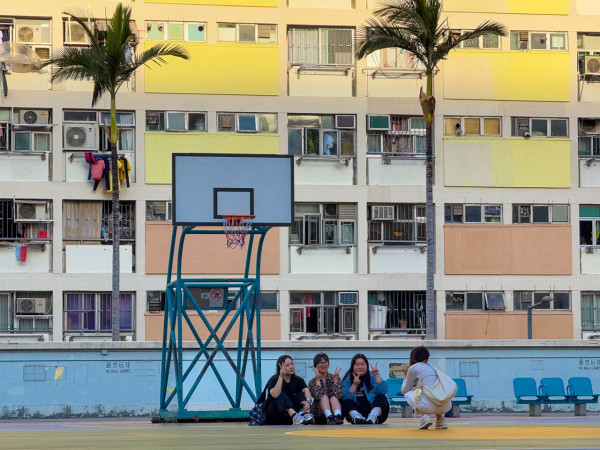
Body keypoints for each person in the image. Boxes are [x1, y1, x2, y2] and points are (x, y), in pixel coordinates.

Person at [401, 346, 452, 430]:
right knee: (431, 390)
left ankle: (425, 416)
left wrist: (406, 375)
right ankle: (441, 419)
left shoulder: (413, 368)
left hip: (428, 406)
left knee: (408, 393)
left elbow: (404, 390)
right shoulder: (434, 368)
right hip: (446, 406)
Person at [264, 354, 315, 425]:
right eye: (287, 365)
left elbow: (306, 390)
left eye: (292, 364)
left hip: (291, 415)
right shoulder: (274, 379)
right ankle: (294, 415)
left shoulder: (298, 379)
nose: (291, 367)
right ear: (280, 367)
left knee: (301, 394)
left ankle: (305, 413)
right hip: (276, 414)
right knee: (280, 393)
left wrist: (308, 401)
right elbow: (275, 394)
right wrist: (281, 377)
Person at [341, 353, 389, 424]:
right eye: (357, 365)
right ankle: (356, 417)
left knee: (382, 397)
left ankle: (373, 415)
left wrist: (377, 376)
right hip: (356, 411)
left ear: (367, 366)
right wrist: (354, 385)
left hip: (374, 412)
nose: (360, 367)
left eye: (363, 364)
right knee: (346, 401)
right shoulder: (348, 379)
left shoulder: (372, 376)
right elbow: (344, 397)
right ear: (352, 366)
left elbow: (382, 391)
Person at [308, 352, 344, 425]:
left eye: (325, 362)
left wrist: (335, 381)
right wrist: (318, 381)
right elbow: (318, 396)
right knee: (324, 397)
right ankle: (329, 416)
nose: (323, 365)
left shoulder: (334, 377)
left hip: (334, 409)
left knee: (333, 397)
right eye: (320, 363)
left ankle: (338, 416)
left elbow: (338, 395)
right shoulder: (312, 382)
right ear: (315, 366)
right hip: (319, 412)